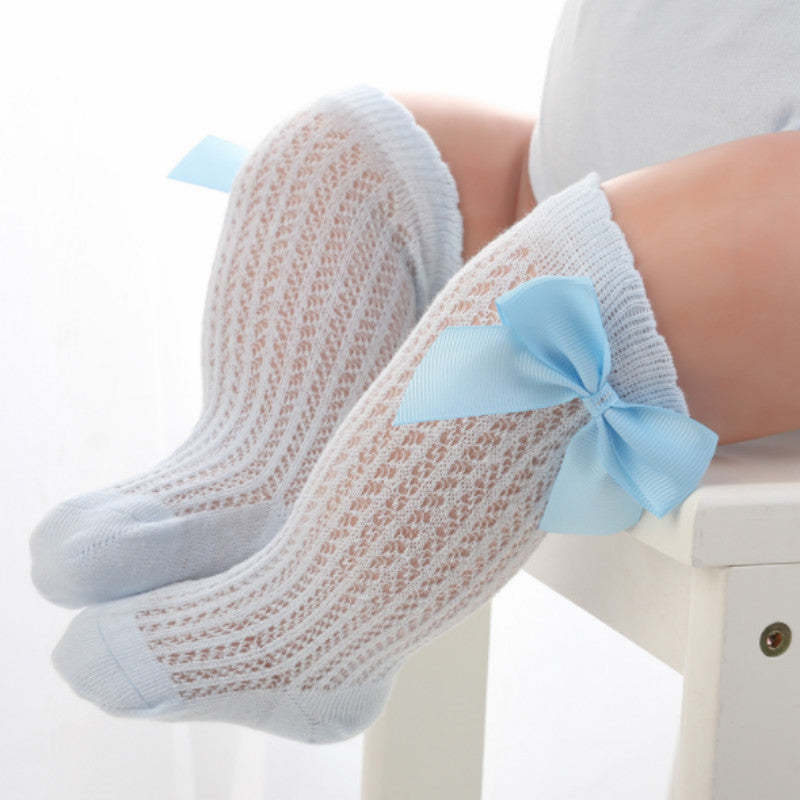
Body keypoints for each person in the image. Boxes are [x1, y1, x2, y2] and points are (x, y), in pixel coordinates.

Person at [30, 0, 800, 744]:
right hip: (578, 169)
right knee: (336, 154)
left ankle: (315, 628)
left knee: (559, 300)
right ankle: (260, 472)